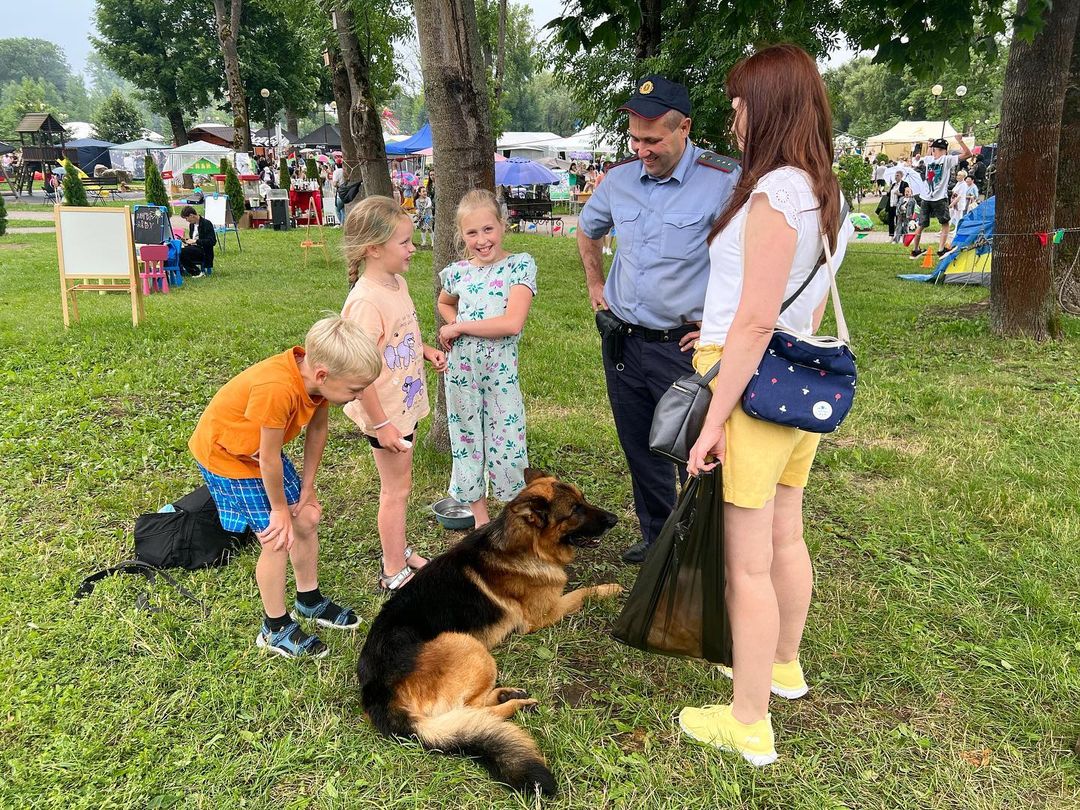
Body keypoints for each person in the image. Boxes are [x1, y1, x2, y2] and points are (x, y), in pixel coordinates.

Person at [677, 43, 853, 768]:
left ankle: (748, 721)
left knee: (746, 563)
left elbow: (753, 321)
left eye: (742, 101)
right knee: (786, 534)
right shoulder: (823, 191)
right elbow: (787, 309)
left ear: (770, 105)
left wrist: (713, 420)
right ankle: (781, 665)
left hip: (750, 384)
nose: (735, 115)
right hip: (794, 379)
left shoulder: (777, 190)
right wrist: (719, 329)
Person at [576, 74, 740, 564]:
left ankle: (700, 547)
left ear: (684, 128)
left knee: (696, 451)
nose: (642, 149)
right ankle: (657, 541)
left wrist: (720, 324)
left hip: (683, 346)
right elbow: (588, 231)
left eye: (653, 140)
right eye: (634, 139)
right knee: (640, 447)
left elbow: (748, 260)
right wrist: (595, 286)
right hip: (624, 340)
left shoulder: (724, 180)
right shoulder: (620, 180)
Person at [189, 316, 382, 658]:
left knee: (305, 519)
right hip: (229, 456)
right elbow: (267, 459)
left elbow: (317, 432)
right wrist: (278, 510)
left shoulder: (318, 383)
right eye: (355, 389)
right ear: (323, 374)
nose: (360, 395)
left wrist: (307, 489)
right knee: (277, 537)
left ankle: (309, 601)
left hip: (260, 454)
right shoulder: (277, 388)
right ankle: (274, 627)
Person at [340, 197, 448, 593]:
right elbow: (359, 372)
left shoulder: (395, 283)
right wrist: (382, 424)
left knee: (402, 486)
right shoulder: (365, 301)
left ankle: (399, 550)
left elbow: (397, 338)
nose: (412, 247)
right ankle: (392, 569)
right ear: (373, 248)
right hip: (384, 414)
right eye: (404, 242)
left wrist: (424, 350)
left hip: (402, 407)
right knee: (395, 490)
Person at [437, 190, 536, 528]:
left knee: (508, 443)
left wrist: (460, 327)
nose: (481, 240)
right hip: (461, 373)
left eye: (488, 229)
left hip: (500, 375)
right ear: (462, 235)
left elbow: (512, 323)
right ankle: (480, 522)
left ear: (502, 224)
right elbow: (445, 303)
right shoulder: (457, 272)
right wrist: (453, 324)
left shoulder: (519, 266)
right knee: (466, 441)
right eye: (472, 233)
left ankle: (513, 519)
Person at [909, 134, 972, 260]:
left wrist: (929, 144)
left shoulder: (928, 160)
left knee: (921, 225)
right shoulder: (947, 159)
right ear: (945, 150)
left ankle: (915, 250)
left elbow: (928, 154)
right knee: (945, 224)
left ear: (933, 150)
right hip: (939, 198)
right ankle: (941, 249)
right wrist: (960, 141)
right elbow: (968, 154)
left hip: (926, 198)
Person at [179, 205, 216, 278]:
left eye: (186, 218)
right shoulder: (192, 225)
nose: (187, 220)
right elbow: (192, 239)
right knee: (178, 250)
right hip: (194, 249)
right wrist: (186, 240)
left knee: (182, 252)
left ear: (191, 215)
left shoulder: (206, 223)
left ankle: (197, 272)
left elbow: (212, 241)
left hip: (204, 251)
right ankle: (182, 271)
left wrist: (195, 241)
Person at [886, 169, 907, 238]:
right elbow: (889, 195)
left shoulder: (904, 184)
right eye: (895, 175)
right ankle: (891, 235)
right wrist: (888, 190)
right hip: (891, 204)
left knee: (899, 221)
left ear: (901, 176)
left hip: (898, 205)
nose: (896, 177)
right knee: (890, 220)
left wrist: (899, 194)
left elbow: (907, 194)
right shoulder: (893, 184)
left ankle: (898, 236)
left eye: (897, 175)